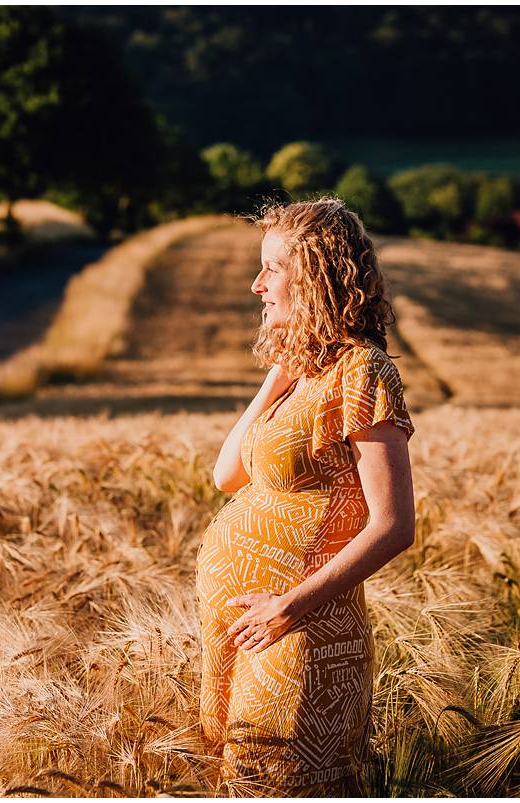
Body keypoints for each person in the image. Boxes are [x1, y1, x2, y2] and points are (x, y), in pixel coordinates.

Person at [196, 197, 417, 796]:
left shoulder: (364, 372)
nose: (256, 284)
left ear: (316, 276)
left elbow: (395, 525)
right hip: (246, 631)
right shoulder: (306, 372)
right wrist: (281, 369)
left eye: (272, 268)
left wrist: (289, 605)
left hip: (300, 635)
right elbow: (226, 475)